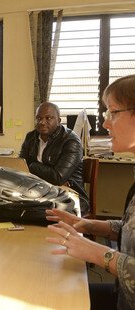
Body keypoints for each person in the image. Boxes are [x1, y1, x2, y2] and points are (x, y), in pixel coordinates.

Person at [46, 75, 135, 310]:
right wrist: (86, 225)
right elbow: (130, 229)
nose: (105, 123)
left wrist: (99, 254)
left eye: (113, 113)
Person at [19, 101, 89, 215]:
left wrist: (32, 166)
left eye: (48, 118)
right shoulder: (31, 137)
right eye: (38, 118)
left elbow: (57, 178)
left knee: (36, 212)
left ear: (59, 121)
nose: (42, 122)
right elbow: (20, 168)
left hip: (69, 196)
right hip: (38, 192)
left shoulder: (71, 141)